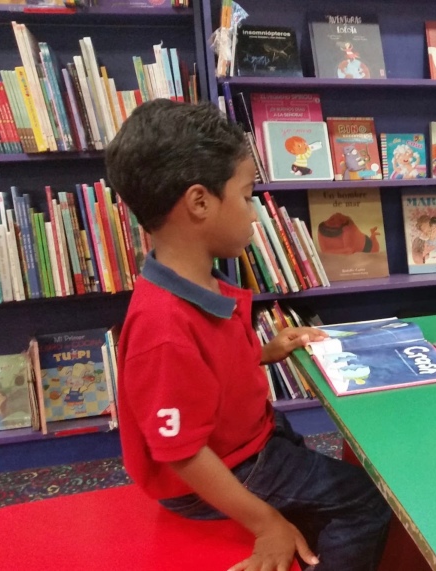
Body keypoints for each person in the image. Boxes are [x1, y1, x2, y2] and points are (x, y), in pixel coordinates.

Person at [104, 100, 392, 571]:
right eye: (246, 195)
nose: (255, 214)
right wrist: (265, 523)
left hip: (250, 439)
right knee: (367, 502)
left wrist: (263, 353)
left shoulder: (199, 280)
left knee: (306, 461)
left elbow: (204, 371)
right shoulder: (163, 328)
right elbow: (182, 454)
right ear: (199, 202)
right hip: (217, 470)